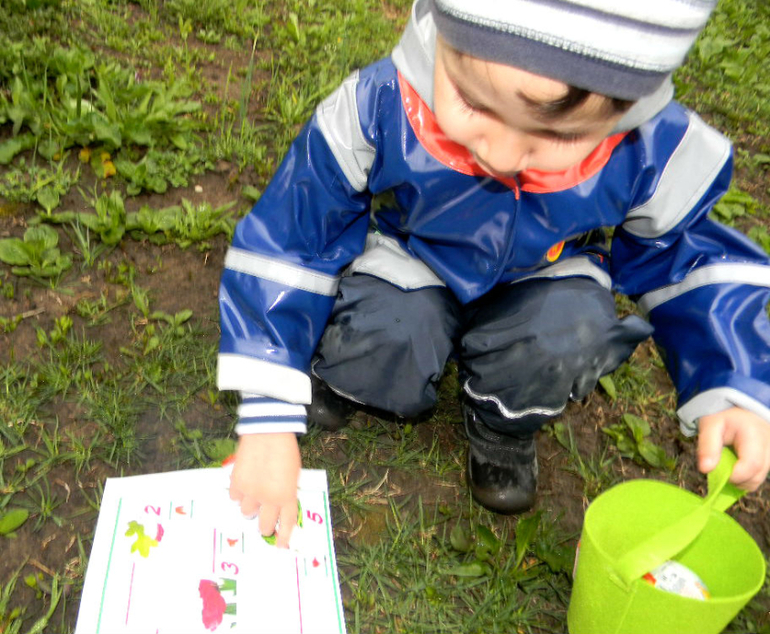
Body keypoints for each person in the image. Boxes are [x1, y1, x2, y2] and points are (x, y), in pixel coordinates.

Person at [219, 0, 770, 547]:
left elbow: (691, 260)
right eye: (471, 101)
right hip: (416, 258)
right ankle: (354, 374)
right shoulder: (381, 102)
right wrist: (268, 408)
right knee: (384, 329)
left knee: (566, 335)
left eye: (557, 135)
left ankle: (502, 420)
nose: (501, 156)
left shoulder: (650, 147)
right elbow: (292, 235)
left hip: (547, 276)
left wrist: (732, 379)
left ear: (630, 108)